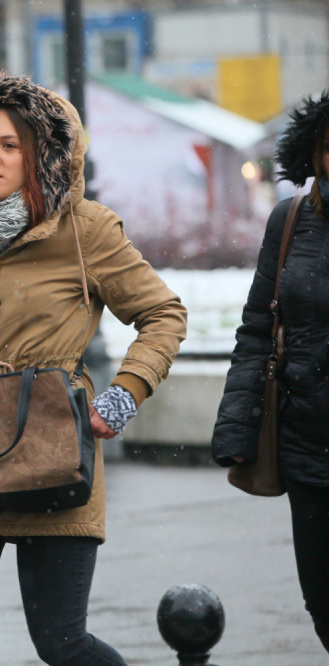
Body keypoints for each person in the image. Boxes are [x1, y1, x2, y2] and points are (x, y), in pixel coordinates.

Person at [0, 74, 187, 665]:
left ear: (43, 154)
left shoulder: (86, 231)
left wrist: (124, 395)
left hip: (54, 451)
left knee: (63, 644)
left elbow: (163, 314)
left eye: (10, 145)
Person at [212, 89, 329, 655]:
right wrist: (236, 432)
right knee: (323, 602)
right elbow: (258, 330)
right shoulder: (289, 221)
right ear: (315, 154)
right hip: (308, 449)